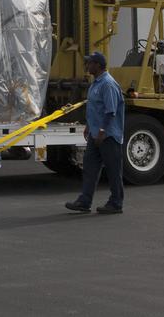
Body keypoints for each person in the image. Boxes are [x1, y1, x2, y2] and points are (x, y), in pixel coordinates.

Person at [65, 51, 124, 215]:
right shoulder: (95, 83)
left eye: (89, 63)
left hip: (108, 136)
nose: (87, 65)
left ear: (97, 65)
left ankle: (116, 203)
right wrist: (89, 127)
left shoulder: (107, 84)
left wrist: (102, 130)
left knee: (113, 170)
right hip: (95, 134)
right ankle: (84, 201)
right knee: (90, 168)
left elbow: (110, 111)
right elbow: (94, 109)